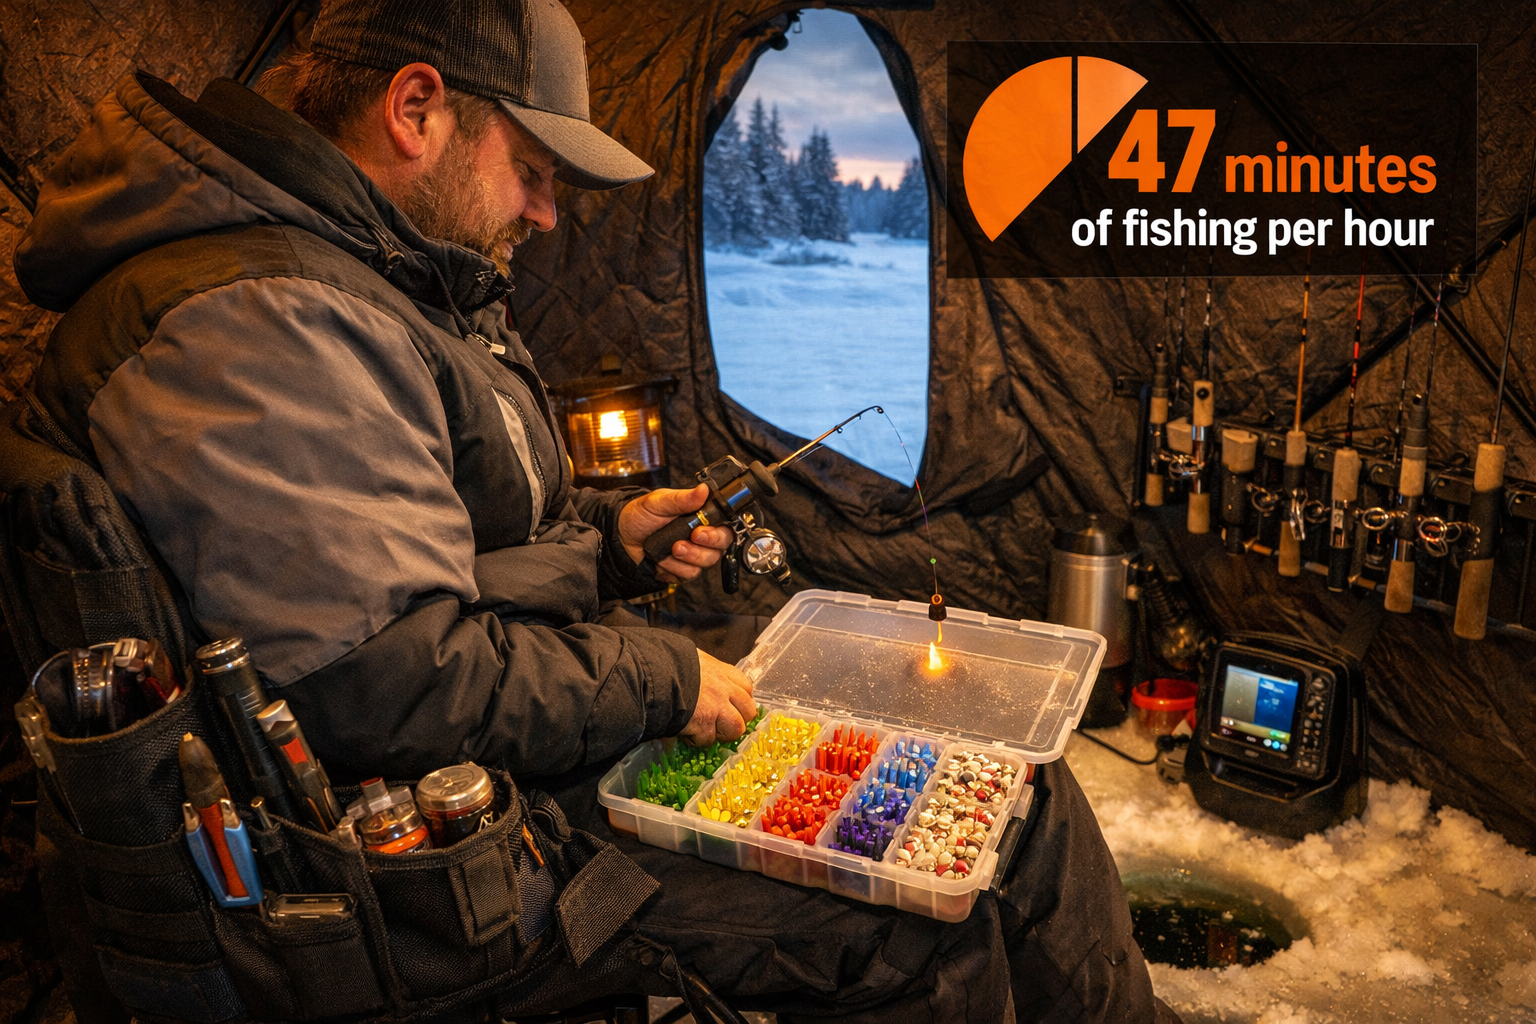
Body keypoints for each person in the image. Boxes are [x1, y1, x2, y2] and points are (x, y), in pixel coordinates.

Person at [14, 1, 1168, 1020]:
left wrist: (609, 554)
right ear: (418, 110)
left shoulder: (364, 278)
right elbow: (387, 684)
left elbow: (425, 574)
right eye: (535, 167)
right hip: (410, 883)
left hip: (471, 757)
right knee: (926, 914)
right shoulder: (263, 321)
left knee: (1013, 787)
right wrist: (663, 679)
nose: (551, 212)